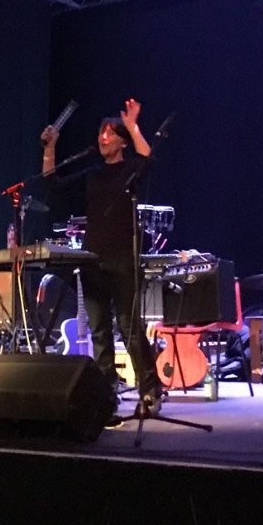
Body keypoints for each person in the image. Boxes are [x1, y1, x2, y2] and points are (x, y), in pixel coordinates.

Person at [40, 99, 164, 417]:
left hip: (123, 259)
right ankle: (108, 391)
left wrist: (134, 126)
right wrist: (50, 147)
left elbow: (148, 158)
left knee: (130, 327)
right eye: (101, 132)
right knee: (98, 331)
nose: (103, 137)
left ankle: (151, 390)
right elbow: (53, 183)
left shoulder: (129, 170)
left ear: (122, 140)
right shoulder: (93, 174)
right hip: (92, 259)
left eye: (110, 132)